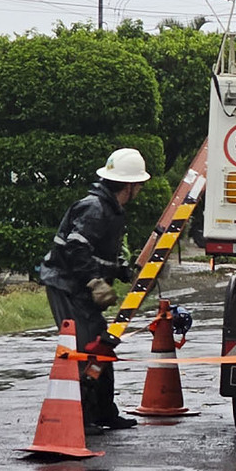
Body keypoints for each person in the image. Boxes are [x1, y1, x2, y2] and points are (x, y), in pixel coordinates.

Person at [37, 147, 149, 431]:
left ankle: (103, 413)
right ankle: (81, 416)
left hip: (79, 287)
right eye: (139, 185)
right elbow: (76, 247)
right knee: (87, 349)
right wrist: (95, 282)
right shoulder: (94, 208)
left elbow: (102, 253)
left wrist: (123, 271)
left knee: (101, 345)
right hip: (67, 287)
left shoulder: (111, 209)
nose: (140, 190)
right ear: (130, 184)